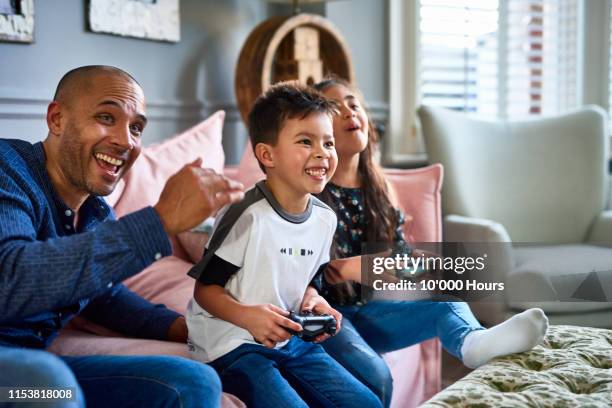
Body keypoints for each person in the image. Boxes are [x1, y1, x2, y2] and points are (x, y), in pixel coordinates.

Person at [0, 65, 244, 408]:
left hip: (38, 373)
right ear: (56, 119)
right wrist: (159, 221)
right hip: (27, 380)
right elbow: (11, 278)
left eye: (136, 128)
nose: (125, 140)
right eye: (105, 117)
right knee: (48, 383)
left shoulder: (97, 213)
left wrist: (192, 329)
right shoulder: (7, 167)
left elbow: (104, 298)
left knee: (192, 380)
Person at [308, 77, 549, 407]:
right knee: (376, 377)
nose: (350, 111)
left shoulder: (380, 188)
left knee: (444, 299)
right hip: (329, 316)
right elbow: (304, 273)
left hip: (372, 310)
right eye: (336, 107)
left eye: (354, 103)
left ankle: (473, 343)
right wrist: (349, 268)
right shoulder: (312, 192)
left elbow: (398, 263)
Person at [186, 82, 382, 408]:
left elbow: (306, 283)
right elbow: (204, 291)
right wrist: (249, 317)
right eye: (306, 142)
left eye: (329, 143)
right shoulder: (246, 215)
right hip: (230, 345)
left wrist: (315, 303)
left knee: (367, 403)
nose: (322, 153)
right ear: (267, 155)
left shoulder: (323, 219)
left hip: (289, 340)